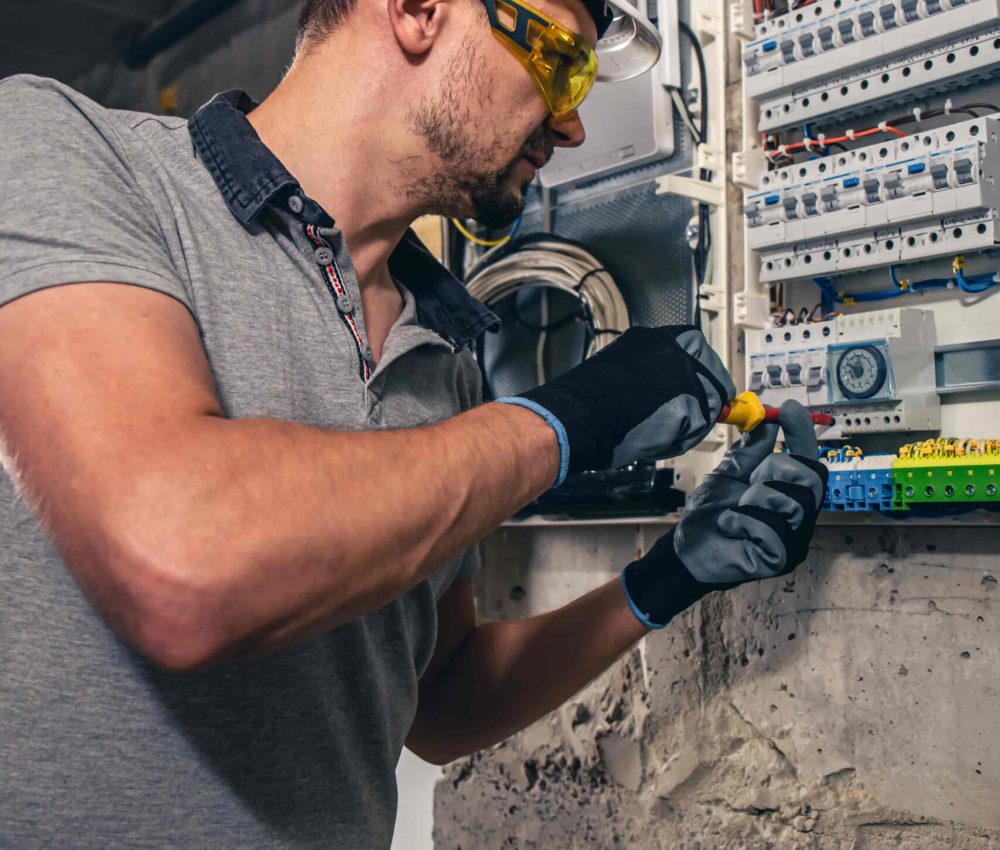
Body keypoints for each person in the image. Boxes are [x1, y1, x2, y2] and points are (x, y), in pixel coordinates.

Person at [0, 0, 827, 845]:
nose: (572, 125)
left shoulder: (444, 359)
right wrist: (573, 419)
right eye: (561, 65)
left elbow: (438, 704)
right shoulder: (71, 153)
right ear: (419, 11)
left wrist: (670, 576)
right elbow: (179, 566)